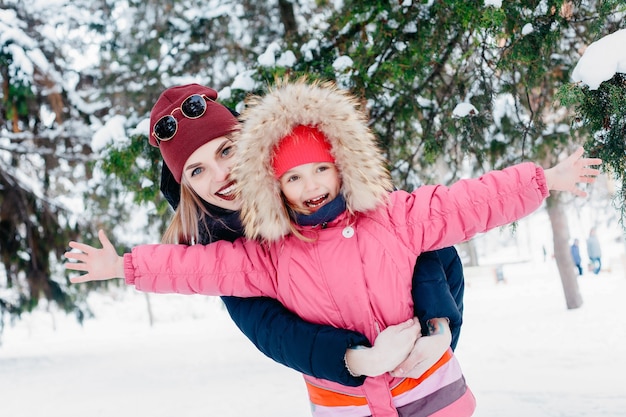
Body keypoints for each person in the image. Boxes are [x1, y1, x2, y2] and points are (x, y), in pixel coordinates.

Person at [65, 79, 601, 417]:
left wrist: (439, 327)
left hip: (430, 385)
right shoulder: (247, 254)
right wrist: (127, 266)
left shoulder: (367, 202)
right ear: (184, 185)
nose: (218, 176)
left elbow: (444, 228)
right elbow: (261, 323)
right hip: (345, 397)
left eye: (227, 151)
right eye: (197, 170)